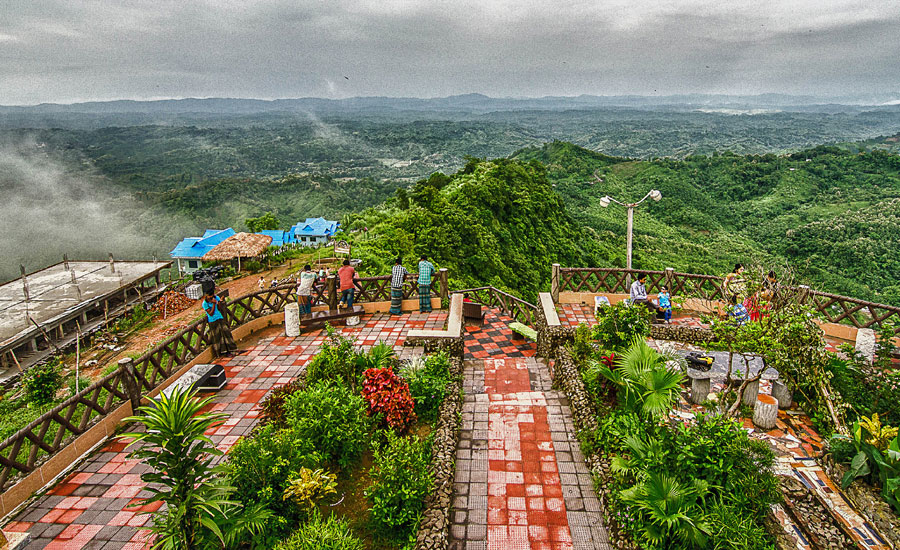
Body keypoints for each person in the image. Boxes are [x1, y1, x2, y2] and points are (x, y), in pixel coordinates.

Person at [202, 288, 236, 357]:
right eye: (209, 296)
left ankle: (230, 349)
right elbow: (211, 313)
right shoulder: (205, 303)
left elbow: (219, 308)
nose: (211, 298)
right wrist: (214, 304)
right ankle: (221, 352)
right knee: (218, 337)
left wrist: (219, 302)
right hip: (213, 321)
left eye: (212, 296)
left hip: (220, 318)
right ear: (206, 296)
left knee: (226, 332)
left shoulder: (216, 298)